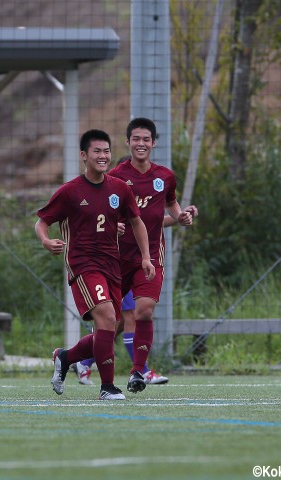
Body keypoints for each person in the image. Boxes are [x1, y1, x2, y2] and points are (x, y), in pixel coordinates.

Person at [35, 129, 155, 401]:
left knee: (107, 330)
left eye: (106, 151)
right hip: (83, 265)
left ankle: (65, 358)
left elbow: (136, 221)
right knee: (108, 317)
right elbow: (42, 221)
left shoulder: (120, 189)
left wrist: (146, 257)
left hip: (112, 264)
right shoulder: (70, 192)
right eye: (97, 152)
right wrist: (45, 240)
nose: (103, 156)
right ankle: (107, 387)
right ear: (84, 156)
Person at [107, 117, 194, 394]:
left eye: (146, 139)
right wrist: (113, 225)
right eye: (136, 139)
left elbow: (170, 204)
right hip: (118, 256)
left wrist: (182, 216)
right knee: (110, 319)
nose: (141, 144)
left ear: (154, 143)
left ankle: (137, 372)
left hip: (151, 255)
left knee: (143, 310)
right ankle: (72, 357)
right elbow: (105, 210)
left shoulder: (165, 177)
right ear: (128, 142)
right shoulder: (116, 176)